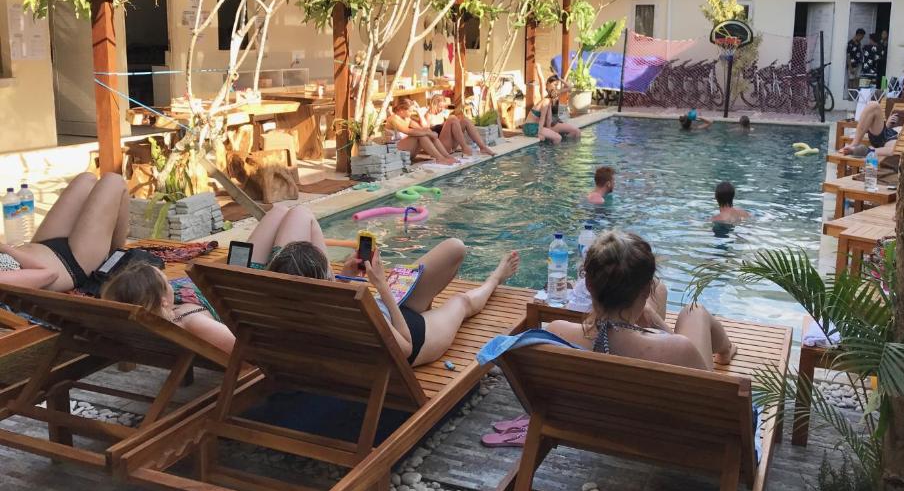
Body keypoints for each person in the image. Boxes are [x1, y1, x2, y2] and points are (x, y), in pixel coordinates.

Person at [546, 231, 736, 370]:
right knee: (694, 312)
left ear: (587, 284)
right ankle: (726, 350)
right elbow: (707, 393)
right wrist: (658, 325)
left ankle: (726, 349)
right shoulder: (679, 351)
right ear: (645, 291)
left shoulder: (556, 334)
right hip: (658, 421)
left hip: (588, 419)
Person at [340, 240, 521, 366]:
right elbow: (405, 348)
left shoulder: (320, 297)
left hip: (388, 309)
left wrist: (344, 277)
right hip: (415, 338)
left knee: (454, 248)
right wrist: (381, 285)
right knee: (460, 301)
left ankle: (426, 306)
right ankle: (495, 278)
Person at [0, 172, 128, 292]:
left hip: (42, 245)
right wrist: (7, 249)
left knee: (86, 179)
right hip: (71, 264)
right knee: (114, 181)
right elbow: (49, 274)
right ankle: (119, 260)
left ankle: (118, 258)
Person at [101, 262, 236, 353]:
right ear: (164, 301)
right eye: (168, 283)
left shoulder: (139, 326)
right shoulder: (193, 320)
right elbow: (242, 349)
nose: (172, 285)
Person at [246, 203, 331, 271]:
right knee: (300, 211)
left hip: (241, 277)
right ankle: (327, 273)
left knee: (283, 210)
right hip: (287, 276)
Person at [387, 97, 458, 165]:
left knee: (425, 132)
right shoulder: (393, 119)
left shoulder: (407, 118)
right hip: (395, 152)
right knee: (421, 135)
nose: (411, 113)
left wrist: (420, 113)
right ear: (401, 110)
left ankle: (447, 156)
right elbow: (408, 131)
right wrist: (428, 133)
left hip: (407, 152)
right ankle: (440, 158)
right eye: (410, 111)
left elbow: (424, 127)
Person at [424, 95, 496, 157]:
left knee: (465, 120)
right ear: (434, 105)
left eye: (443, 107)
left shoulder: (442, 114)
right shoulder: (428, 116)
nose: (442, 109)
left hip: (449, 145)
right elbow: (426, 133)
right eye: (440, 107)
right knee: (452, 118)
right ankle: (464, 147)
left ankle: (483, 147)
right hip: (440, 147)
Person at [839, 101, 904, 156]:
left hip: (895, 143)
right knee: (873, 105)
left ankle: (867, 151)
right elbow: (886, 131)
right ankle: (854, 144)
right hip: (886, 134)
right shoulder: (900, 127)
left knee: (899, 146)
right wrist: (887, 124)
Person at [522, 76, 581, 143]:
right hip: (531, 127)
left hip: (539, 125)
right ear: (548, 84)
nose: (556, 88)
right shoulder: (546, 100)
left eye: (557, 85)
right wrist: (539, 133)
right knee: (559, 137)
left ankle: (564, 145)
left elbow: (548, 118)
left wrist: (560, 78)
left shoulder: (551, 98)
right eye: (555, 85)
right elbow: (543, 118)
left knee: (561, 136)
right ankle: (556, 150)